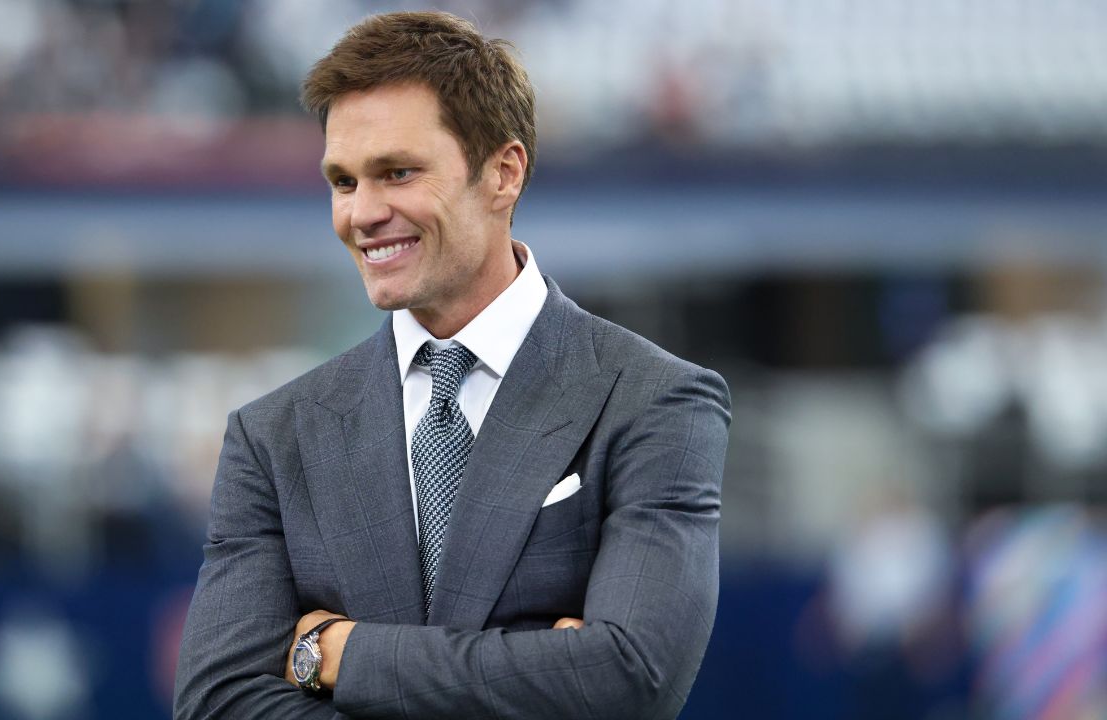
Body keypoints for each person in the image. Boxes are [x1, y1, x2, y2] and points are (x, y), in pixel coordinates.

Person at [173, 11, 731, 720]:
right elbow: (216, 702)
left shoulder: (655, 401)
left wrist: (336, 654)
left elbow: (627, 677)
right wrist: (538, 669)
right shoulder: (272, 437)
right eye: (343, 182)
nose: (361, 213)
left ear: (503, 173)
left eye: (397, 173)